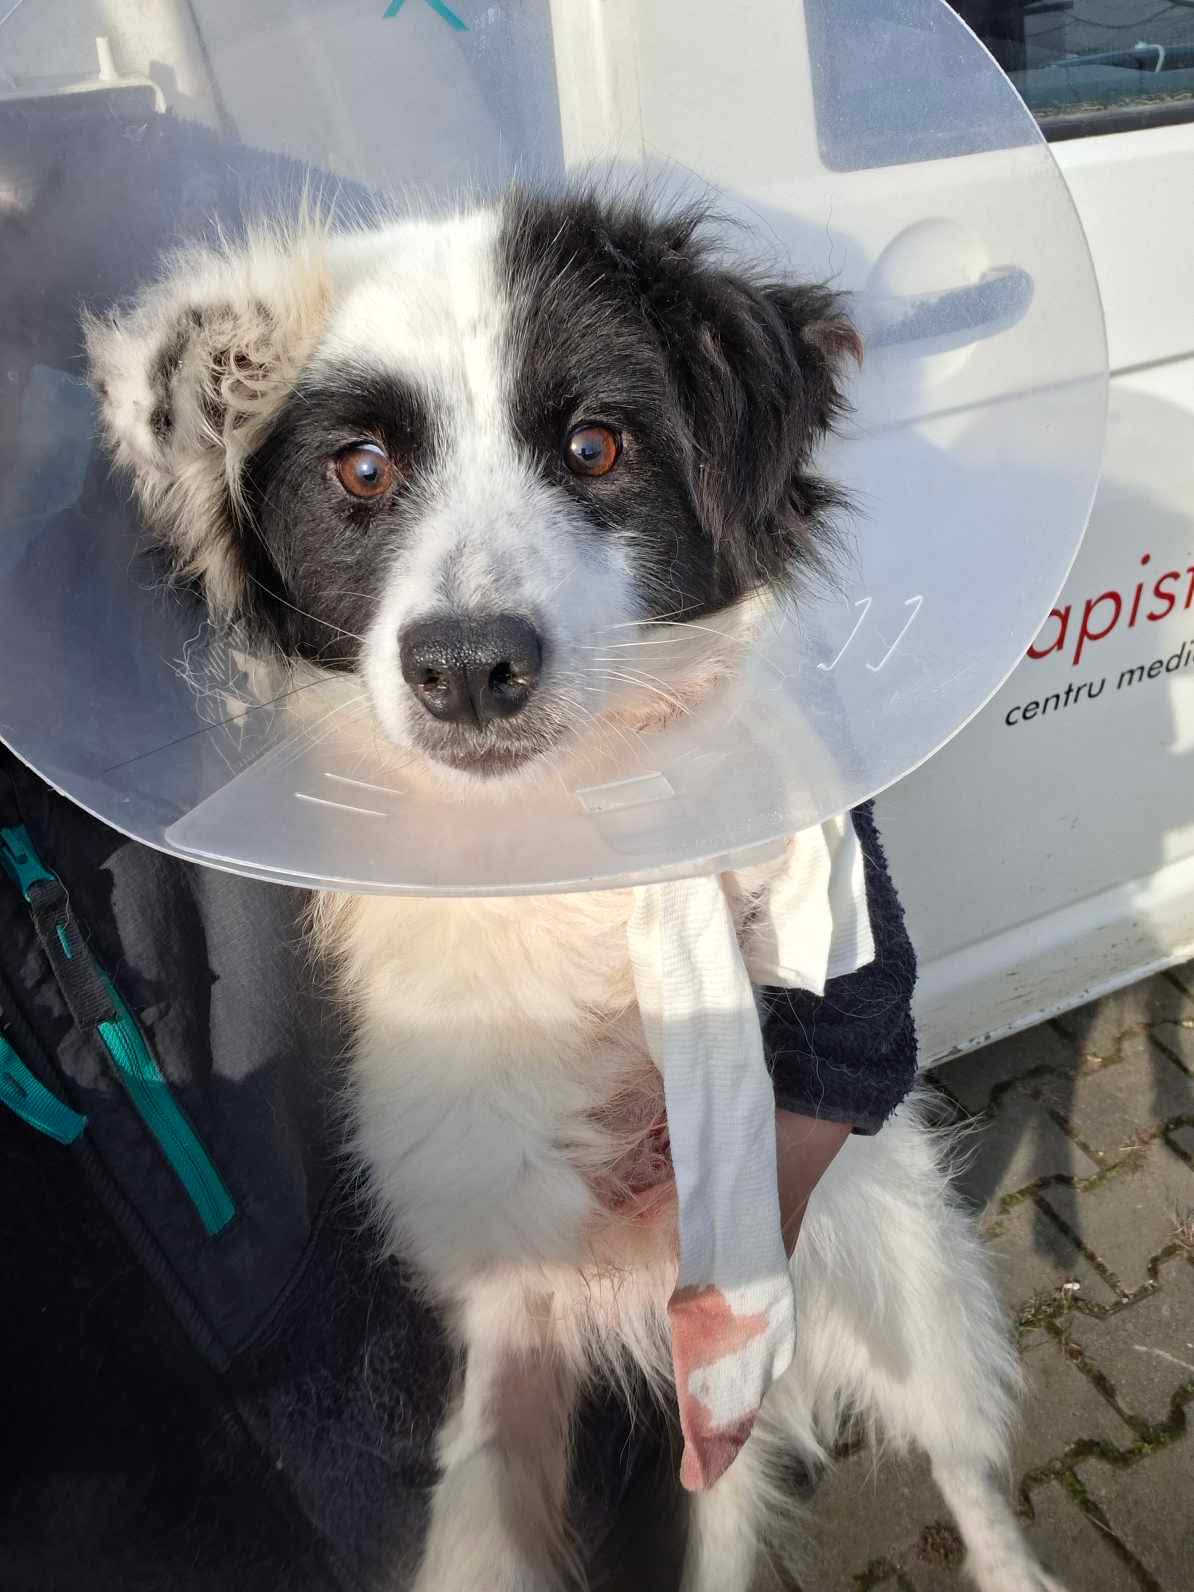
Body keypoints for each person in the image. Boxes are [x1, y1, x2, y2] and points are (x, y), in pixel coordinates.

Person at [0, 108, 917, 1592]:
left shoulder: (239, 278)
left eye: (592, 448)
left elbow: (769, 703)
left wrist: (809, 1102)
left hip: (500, 1349)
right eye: (368, 475)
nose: (471, 634)